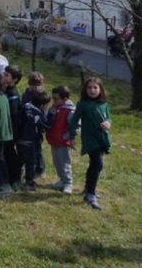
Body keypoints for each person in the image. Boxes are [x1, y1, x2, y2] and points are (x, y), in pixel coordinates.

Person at [69, 77, 112, 210]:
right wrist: (72, 137)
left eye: (95, 87)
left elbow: (108, 117)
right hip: (90, 139)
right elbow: (74, 121)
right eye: (89, 88)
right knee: (97, 164)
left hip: (102, 138)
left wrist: (108, 123)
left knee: (95, 165)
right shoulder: (83, 104)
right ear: (85, 90)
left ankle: (88, 189)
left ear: (100, 89)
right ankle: (90, 194)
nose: (92, 90)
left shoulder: (104, 104)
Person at [17, 91, 51, 191]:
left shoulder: (25, 106)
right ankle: (29, 182)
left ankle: (16, 179)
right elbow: (45, 126)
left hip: (20, 139)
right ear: (42, 105)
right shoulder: (37, 114)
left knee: (20, 160)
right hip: (31, 141)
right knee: (31, 163)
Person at [46, 85, 76, 194]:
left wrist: (68, 137)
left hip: (63, 142)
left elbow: (75, 125)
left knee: (64, 163)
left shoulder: (70, 111)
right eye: (53, 98)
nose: (53, 101)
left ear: (65, 99)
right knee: (57, 162)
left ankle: (68, 183)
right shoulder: (54, 107)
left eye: (56, 98)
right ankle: (62, 180)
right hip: (54, 140)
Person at [22, 71, 47, 178]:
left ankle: (40, 168)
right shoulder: (27, 95)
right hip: (29, 124)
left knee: (38, 148)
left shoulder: (42, 94)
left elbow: (43, 109)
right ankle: (34, 167)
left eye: (39, 85)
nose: (37, 87)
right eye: (34, 85)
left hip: (38, 125)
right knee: (32, 148)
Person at [4, 66, 24, 190]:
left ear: (15, 79)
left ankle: (16, 177)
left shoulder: (13, 94)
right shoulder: (6, 90)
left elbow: (14, 114)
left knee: (10, 153)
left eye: (7, 75)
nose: (4, 76)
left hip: (11, 130)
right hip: (6, 128)